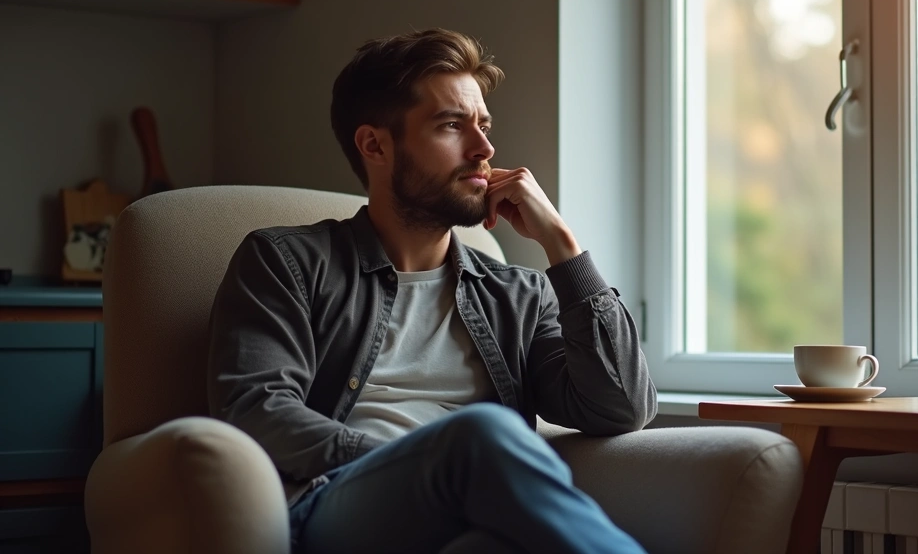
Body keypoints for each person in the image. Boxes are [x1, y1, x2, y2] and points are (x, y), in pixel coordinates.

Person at [206, 28, 657, 554]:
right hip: (333, 508)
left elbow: (620, 409)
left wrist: (562, 246)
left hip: (468, 512)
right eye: (451, 125)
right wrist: (420, 457)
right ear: (375, 144)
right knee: (479, 436)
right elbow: (255, 409)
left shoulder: (518, 295)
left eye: (485, 126)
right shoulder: (286, 262)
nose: (484, 149)